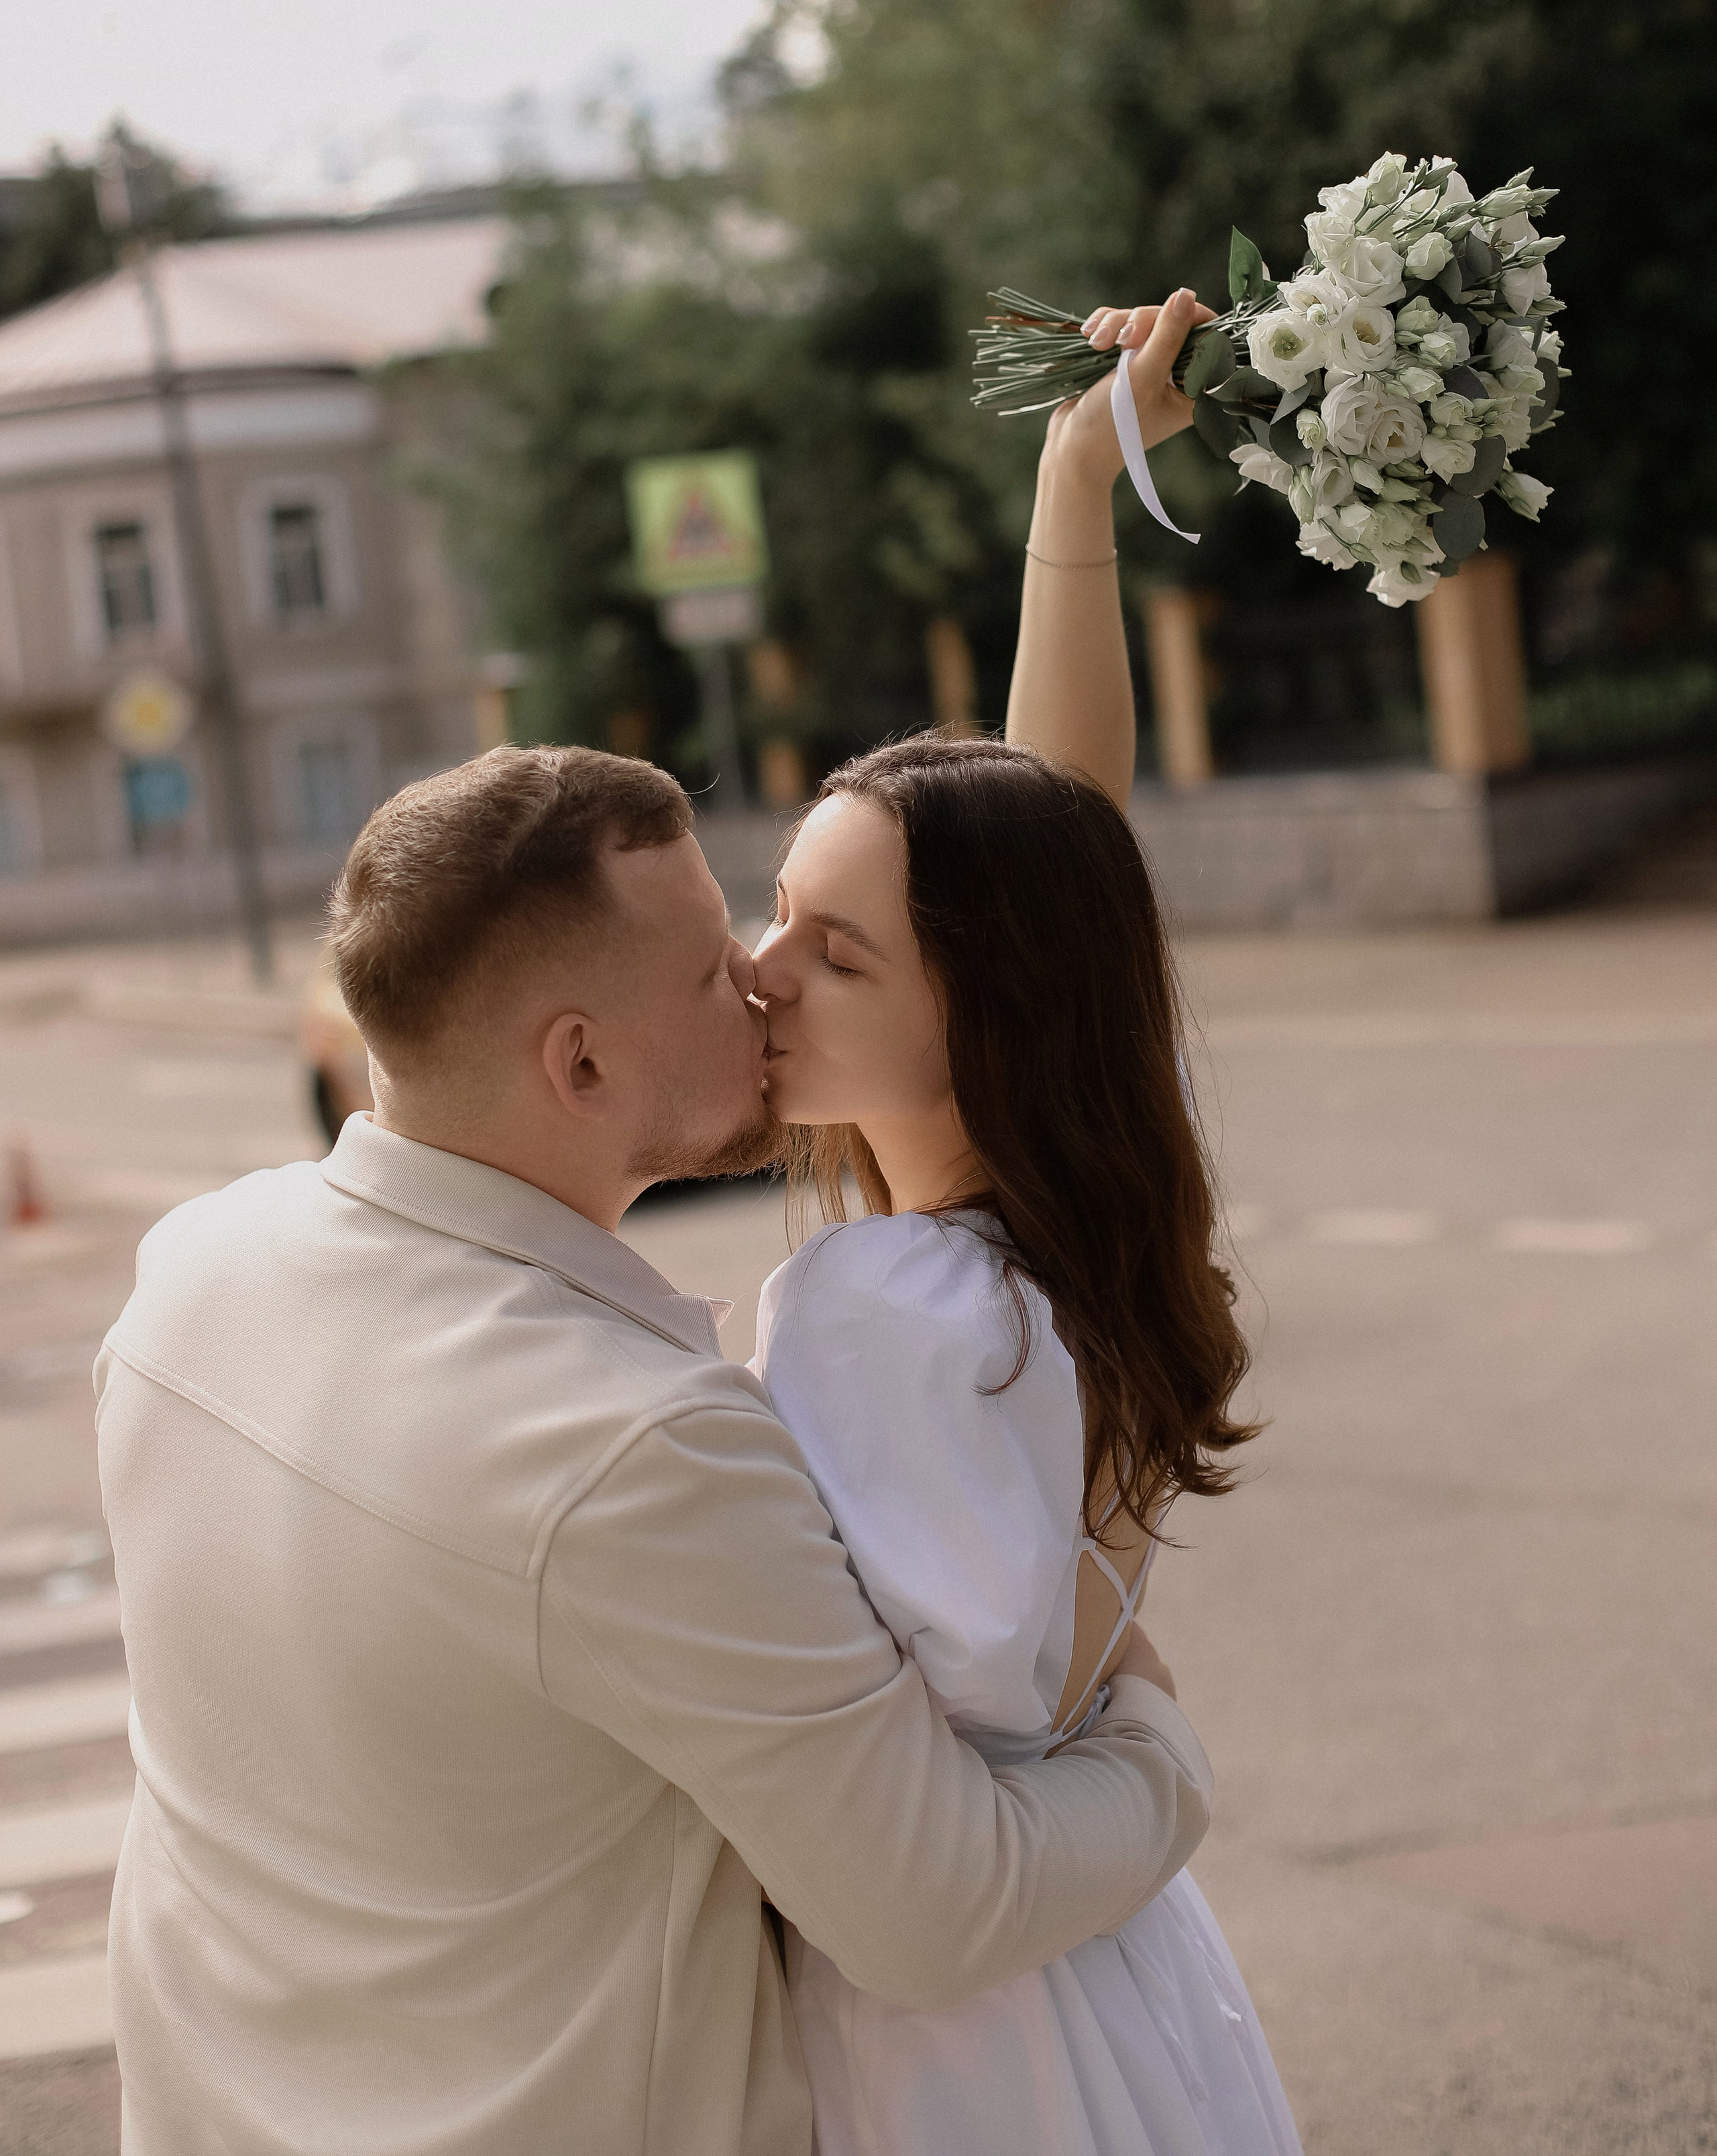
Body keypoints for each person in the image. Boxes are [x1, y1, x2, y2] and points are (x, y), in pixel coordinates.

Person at [95, 738, 1212, 2153]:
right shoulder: (636, 1451)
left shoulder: (191, 1270)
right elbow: (939, 1911)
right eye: (707, 969)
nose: (758, 976)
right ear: (579, 1059)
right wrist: (1159, 1750)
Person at [746, 288, 1305, 2154]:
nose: (759, 975)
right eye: (772, 911)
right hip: (1108, 1964)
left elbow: (938, 1713)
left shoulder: (890, 1305)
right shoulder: (1063, 1236)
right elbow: (1059, 827)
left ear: (983, 1008)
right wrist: (1086, 463)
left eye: (829, 953)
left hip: (961, 2026)